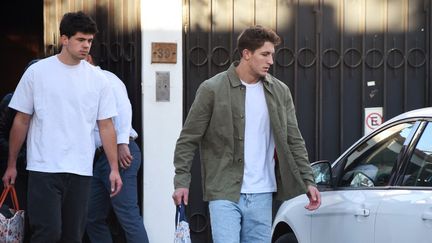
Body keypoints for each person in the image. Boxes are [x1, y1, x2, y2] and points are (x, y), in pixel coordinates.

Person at [172, 25, 321, 243]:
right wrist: (181, 181)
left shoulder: (280, 92)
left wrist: (308, 181)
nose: (270, 61)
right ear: (246, 54)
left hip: (262, 192)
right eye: (265, 54)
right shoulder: (212, 89)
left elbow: (294, 140)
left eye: (272, 54)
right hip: (224, 190)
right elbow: (188, 139)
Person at [2, 11, 122, 243]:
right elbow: (21, 120)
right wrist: (11, 164)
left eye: (89, 41)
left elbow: (106, 126)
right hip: (43, 167)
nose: (86, 46)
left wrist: (114, 168)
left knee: (73, 236)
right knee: (47, 233)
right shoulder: (37, 73)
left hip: (80, 168)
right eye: (80, 40)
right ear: (64, 39)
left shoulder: (98, 80)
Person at [85, 55, 149, 243]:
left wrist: (122, 143)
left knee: (127, 216)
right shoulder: (80, 84)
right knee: (91, 216)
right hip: (98, 159)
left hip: (121, 153)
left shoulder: (107, 79)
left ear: (89, 59)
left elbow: (123, 108)